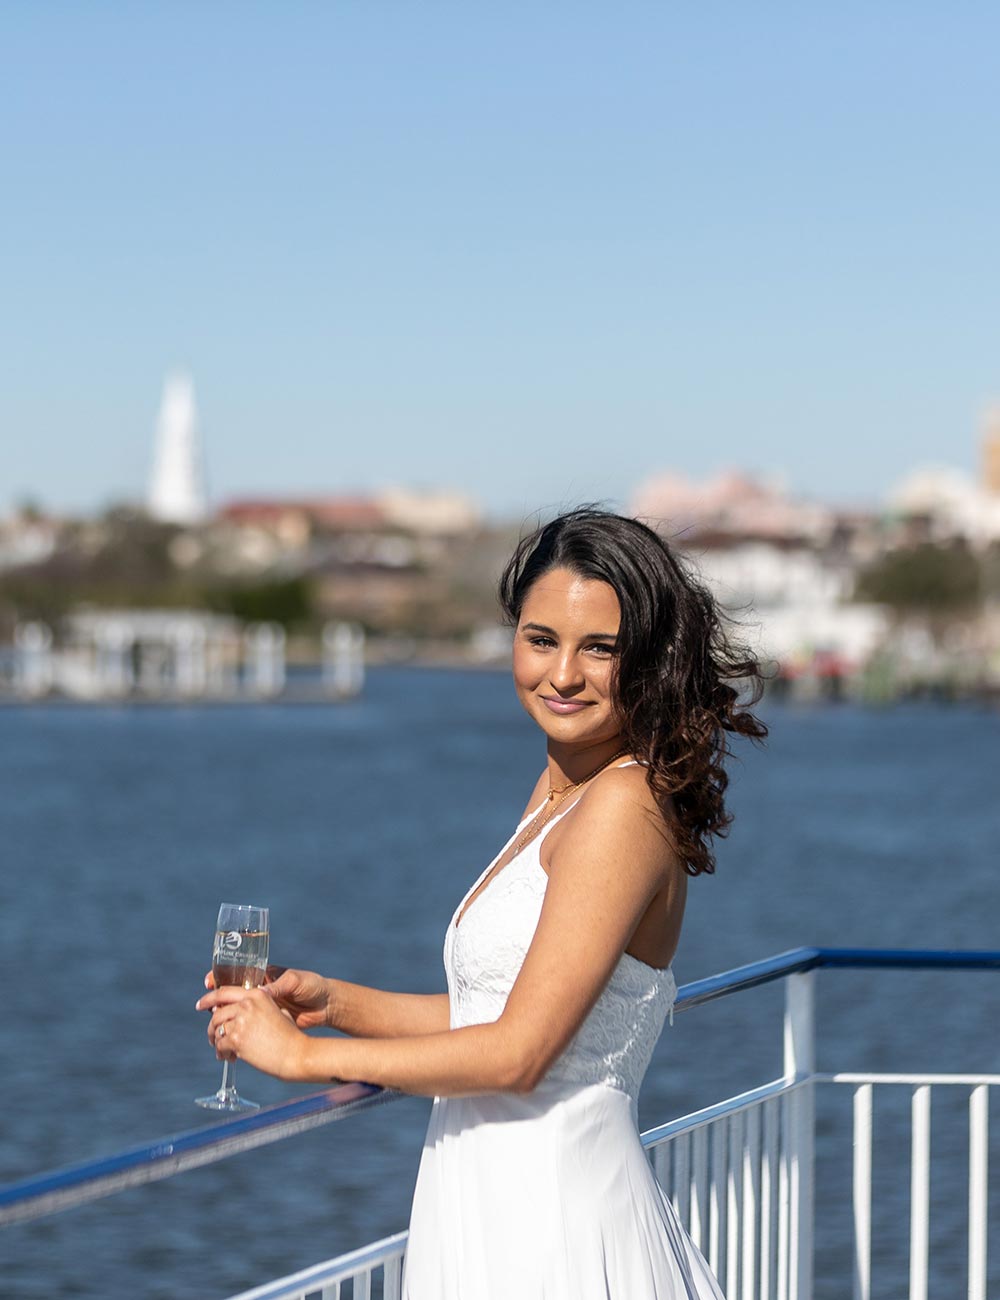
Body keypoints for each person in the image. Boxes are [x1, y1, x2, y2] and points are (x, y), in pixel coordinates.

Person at [197, 507, 767, 1299]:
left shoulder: (621, 806)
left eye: (599, 648)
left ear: (649, 661)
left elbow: (519, 1054)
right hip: (493, 1200)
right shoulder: (562, 789)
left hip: (553, 1224)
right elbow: (498, 1008)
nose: (562, 674)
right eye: (541, 639)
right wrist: (333, 1000)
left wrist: (301, 1057)